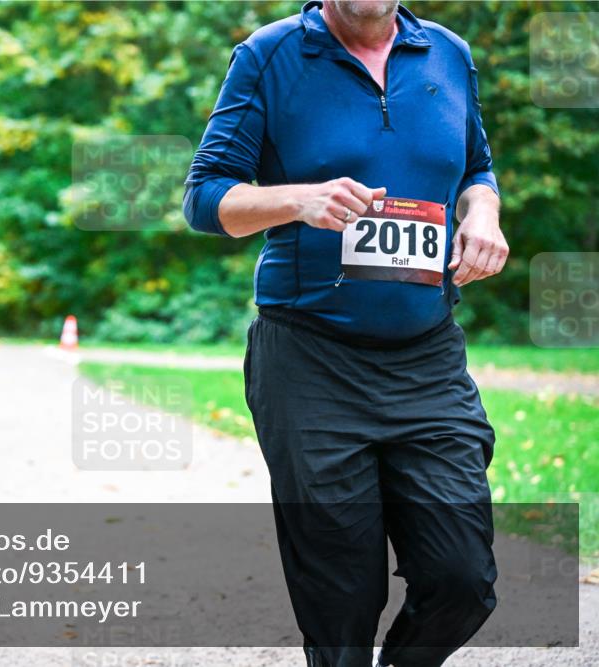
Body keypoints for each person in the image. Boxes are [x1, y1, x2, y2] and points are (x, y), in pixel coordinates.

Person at [184, 2, 508, 666]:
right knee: (341, 603)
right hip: (310, 362)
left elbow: (477, 168)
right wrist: (298, 199)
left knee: (462, 577)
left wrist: (484, 212)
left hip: (427, 360)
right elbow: (205, 197)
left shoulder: (447, 54)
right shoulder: (270, 55)